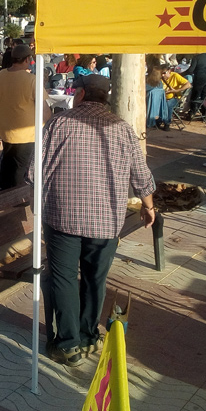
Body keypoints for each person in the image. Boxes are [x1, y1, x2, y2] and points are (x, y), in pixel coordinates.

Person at [29, 73, 156, 366]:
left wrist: (40, 201)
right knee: (94, 279)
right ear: (106, 97)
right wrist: (149, 206)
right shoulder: (122, 129)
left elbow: (34, 173)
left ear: (82, 94)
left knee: (63, 278)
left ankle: (69, 344)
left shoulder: (58, 123)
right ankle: (88, 336)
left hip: (62, 216)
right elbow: (141, 174)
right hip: (106, 220)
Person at [0, 44, 50, 189]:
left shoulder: (0, 75)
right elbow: (45, 111)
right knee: (21, 168)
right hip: (26, 133)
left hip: (6, 129)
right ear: (28, 59)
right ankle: (15, 201)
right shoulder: (32, 80)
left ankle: (5, 190)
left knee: (8, 162)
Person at [160, 64, 191, 130]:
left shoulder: (175, 75)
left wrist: (176, 90)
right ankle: (156, 121)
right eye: (161, 73)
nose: (162, 75)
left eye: (164, 73)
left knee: (168, 105)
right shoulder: (160, 77)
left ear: (169, 71)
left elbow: (188, 84)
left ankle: (167, 123)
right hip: (162, 97)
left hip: (174, 97)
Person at [185, 52, 206, 119]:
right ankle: (205, 113)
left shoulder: (196, 57)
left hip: (200, 76)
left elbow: (191, 69)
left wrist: (183, 73)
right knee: (205, 95)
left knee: (195, 95)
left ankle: (192, 113)